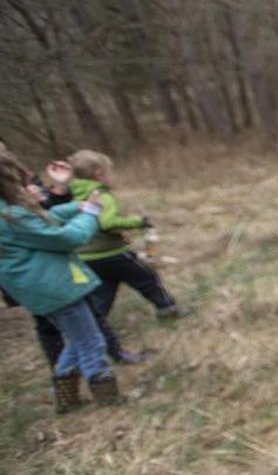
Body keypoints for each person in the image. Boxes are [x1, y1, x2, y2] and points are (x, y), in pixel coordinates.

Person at [0, 147, 121, 412]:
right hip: (54, 288)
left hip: (40, 290)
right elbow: (66, 238)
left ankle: (66, 397)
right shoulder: (10, 217)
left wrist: (74, 207)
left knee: (78, 340)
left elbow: (43, 221)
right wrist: (89, 212)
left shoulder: (9, 213)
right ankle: (106, 395)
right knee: (91, 341)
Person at [67, 149, 184, 321]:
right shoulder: (102, 195)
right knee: (147, 277)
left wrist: (118, 235)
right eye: (108, 173)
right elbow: (107, 223)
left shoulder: (75, 198)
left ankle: (97, 325)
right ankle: (167, 308)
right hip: (112, 255)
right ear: (99, 174)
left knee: (103, 292)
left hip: (87, 257)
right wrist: (137, 221)